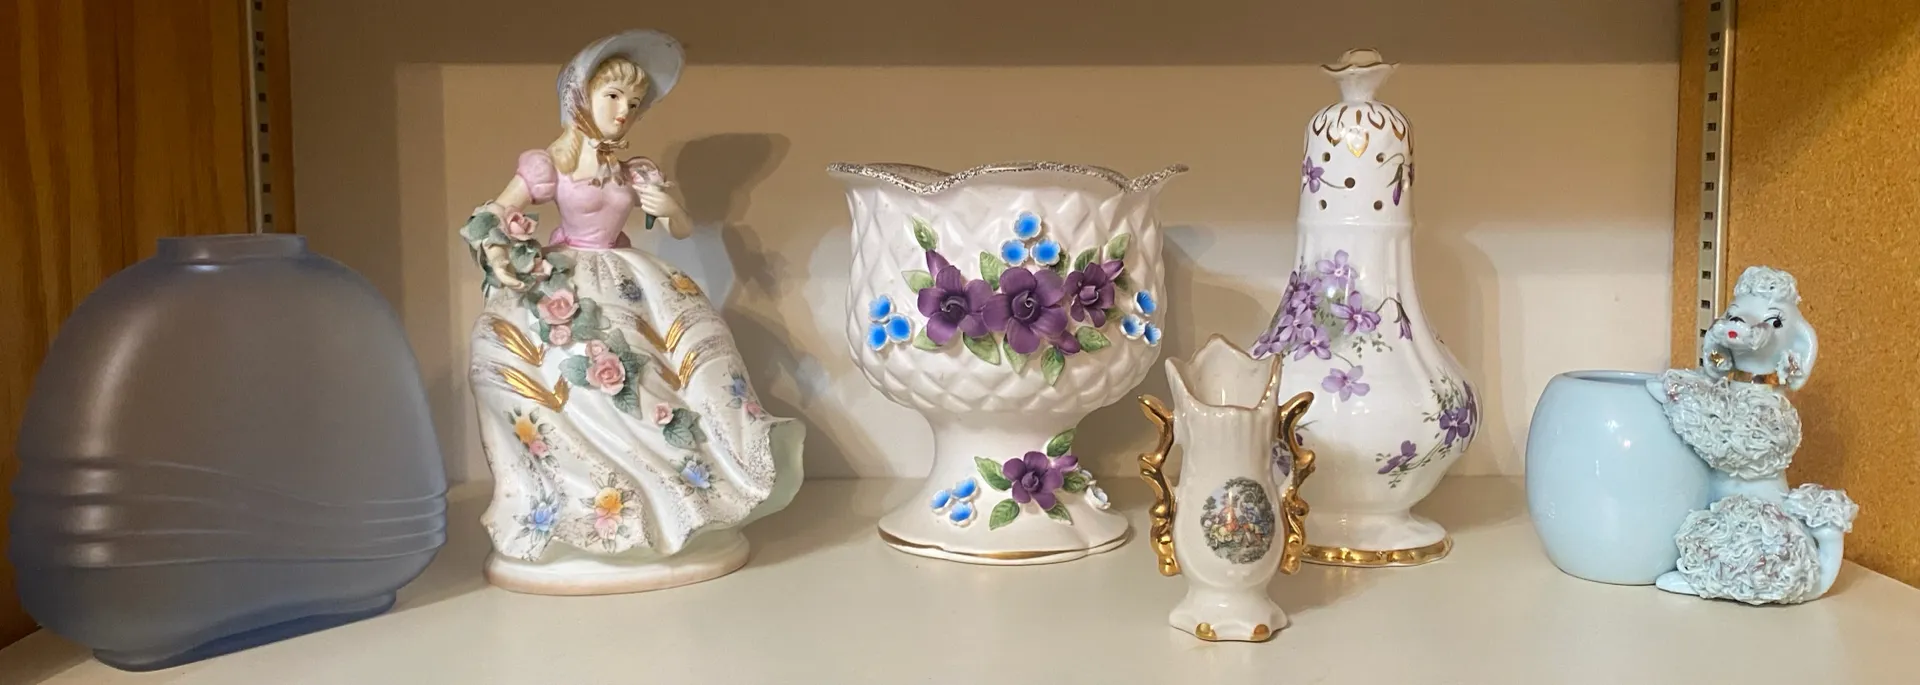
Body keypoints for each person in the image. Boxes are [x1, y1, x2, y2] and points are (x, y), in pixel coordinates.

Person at [457, 30, 802, 592]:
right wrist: (496, 247)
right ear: (580, 97)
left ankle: (682, 495)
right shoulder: (549, 164)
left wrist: (670, 207)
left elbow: (679, 228)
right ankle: (594, 504)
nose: (624, 112)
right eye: (613, 96)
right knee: (569, 372)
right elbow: (493, 213)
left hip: (629, 276)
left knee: (674, 362)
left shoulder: (631, 170)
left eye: (634, 103)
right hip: (567, 275)